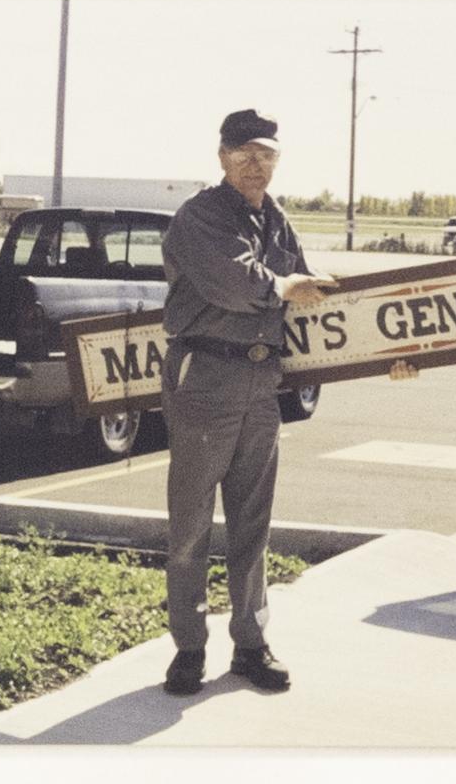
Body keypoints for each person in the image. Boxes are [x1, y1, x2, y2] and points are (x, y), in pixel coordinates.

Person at [158, 108, 415, 696]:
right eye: (244, 153)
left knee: (252, 522)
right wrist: (285, 288)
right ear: (222, 157)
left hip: (260, 382)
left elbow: (317, 301)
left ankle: (250, 644)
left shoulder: (275, 220)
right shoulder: (200, 218)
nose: (256, 164)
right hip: (206, 378)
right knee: (192, 523)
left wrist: (389, 351)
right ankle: (188, 649)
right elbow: (241, 286)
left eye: (266, 154)